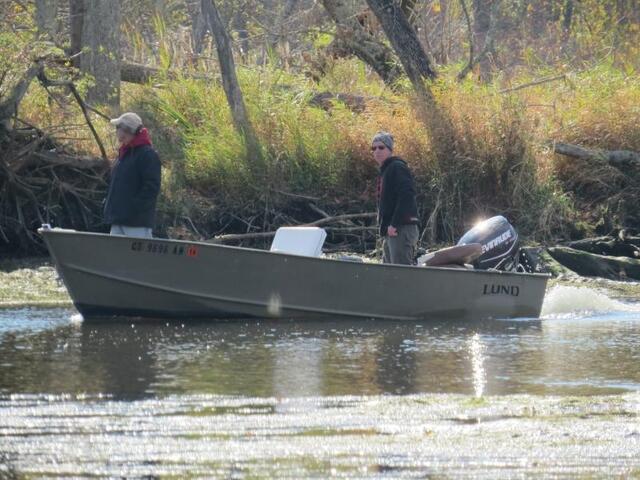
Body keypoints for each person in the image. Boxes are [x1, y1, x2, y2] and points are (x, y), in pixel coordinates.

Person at [103, 112, 161, 238]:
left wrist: (133, 208)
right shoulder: (125, 153)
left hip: (137, 224)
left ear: (126, 130)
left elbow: (152, 188)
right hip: (118, 220)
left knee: (137, 253)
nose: (116, 132)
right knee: (112, 251)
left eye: (118, 128)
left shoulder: (147, 155)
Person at [372, 131, 419, 265]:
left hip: (401, 229)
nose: (377, 151)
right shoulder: (386, 169)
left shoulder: (397, 167)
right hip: (391, 231)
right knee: (388, 272)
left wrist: (394, 224)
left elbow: (407, 195)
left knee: (400, 272)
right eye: (373, 148)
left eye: (381, 147)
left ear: (389, 149)